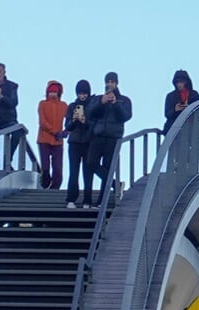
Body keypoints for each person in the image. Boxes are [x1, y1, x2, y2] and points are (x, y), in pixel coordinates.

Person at [81, 73, 133, 210]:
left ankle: (101, 202)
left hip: (113, 137)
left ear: (116, 83)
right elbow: (90, 113)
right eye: (107, 81)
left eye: (112, 81)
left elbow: (125, 116)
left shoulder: (124, 100)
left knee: (108, 167)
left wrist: (115, 104)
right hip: (97, 136)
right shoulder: (98, 99)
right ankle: (116, 185)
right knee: (91, 163)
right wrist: (101, 103)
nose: (109, 84)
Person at [63, 79, 93, 208]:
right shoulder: (71, 106)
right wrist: (75, 120)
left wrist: (85, 121)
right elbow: (67, 126)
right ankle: (71, 198)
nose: (82, 96)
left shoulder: (92, 106)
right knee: (73, 172)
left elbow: (93, 126)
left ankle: (87, 199)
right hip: (74, 142)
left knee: (88, 172)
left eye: (85, 93)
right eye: (80, 93)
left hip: (88, 142)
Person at [36, 81, 66, 191]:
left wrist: (66, 131)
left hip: (58, 141)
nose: (52, 94)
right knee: (45, 166)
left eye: (55, 92)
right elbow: (42, 122)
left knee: (57, 168)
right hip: (44, 139)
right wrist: (56, 132)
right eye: (50, 92)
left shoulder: (63, 106)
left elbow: (70, 121)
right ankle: (45, 182)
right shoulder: (42, 104)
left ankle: (55, 188)